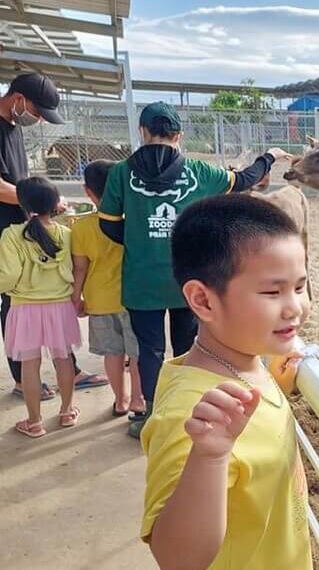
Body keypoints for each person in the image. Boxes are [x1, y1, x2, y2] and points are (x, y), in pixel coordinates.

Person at [141, 195, 317, 570]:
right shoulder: (195, 418)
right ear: (202, 301)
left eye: (299, 286)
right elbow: (178, 561)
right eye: (272, 291)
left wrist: (279, 371)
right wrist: (211, 455)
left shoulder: (244, 362)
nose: (294, 305)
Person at [97, 102, 289, 438]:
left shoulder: (121, 173)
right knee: (187, 349)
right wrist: (269, 156)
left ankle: (154, 417)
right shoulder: (199, 172)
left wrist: (141, 240)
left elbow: (108, 225)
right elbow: (243, 180)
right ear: (179, 136)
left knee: (150, 351)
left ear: (143, 132)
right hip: (188, 281)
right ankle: (188, 415)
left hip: (141, 282)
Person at [0, 72, 107, 400]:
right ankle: (22, 378)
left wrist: (39, 201)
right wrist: (39, 200)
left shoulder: (13, 128)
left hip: (24, 224)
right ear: (18, 99)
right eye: (37, 111)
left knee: (46, 295)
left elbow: (18, 179)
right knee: (16, 301)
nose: (37, 120)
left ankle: (69, 372)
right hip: (6, 231)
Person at [0, 177, 81, 437]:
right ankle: (67, 411)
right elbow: (75, 268)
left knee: (29, 364)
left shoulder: (12, 234)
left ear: (22, 203)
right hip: (60, 307)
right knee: (63, 358)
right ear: (55, 203)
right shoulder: (66, 234)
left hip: (25, 308)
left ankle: (34, 422)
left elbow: (8, 276)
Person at [72, 160, 145, 417]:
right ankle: (138, 399)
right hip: (135, 299)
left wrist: (76, 297)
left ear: (87, 191)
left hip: (99, 301)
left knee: (113, 354)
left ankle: (121, 400)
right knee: (137, 354)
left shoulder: (80, 227)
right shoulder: (133, 220)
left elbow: (79, 268)